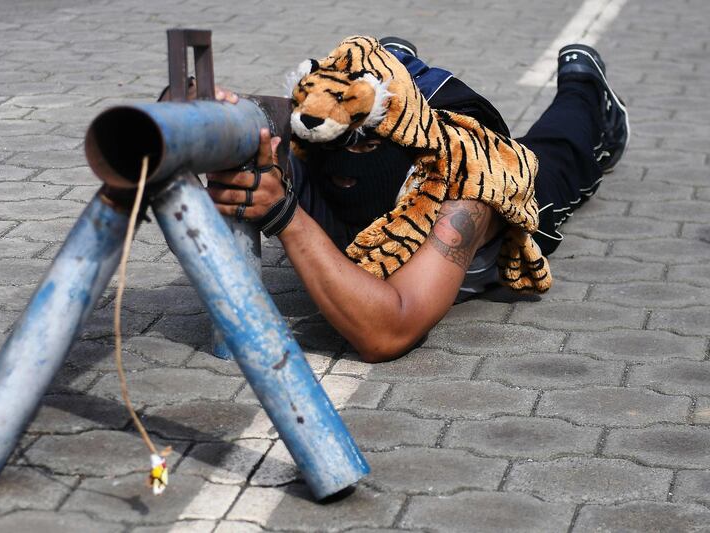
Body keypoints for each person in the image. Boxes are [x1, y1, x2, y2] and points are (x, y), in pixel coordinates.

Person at [206, 36, 629, 363]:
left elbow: (387, 333)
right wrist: (208, 109)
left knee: (558, 155)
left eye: (364, 148)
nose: (345, 163)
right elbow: (184, 113)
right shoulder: (310, 128)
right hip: (401, 108)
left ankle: (584, 88)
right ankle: (395, 57)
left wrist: (285, 216)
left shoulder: (463, 198)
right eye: (340, 146)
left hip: (480, 159)